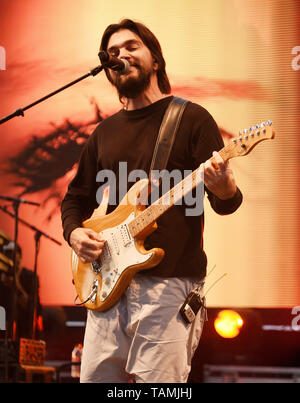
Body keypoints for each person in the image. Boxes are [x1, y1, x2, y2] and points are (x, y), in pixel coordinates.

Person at [61, 19, 242, 383]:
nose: (120, 55)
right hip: (108, 285)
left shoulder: (191, 119)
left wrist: (223, 187)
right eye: (112, 53)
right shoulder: (104, 132)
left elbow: (226, 202)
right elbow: (76, 198)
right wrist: (75, 234)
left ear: (155, 60)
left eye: (130, 47)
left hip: (170, 286)